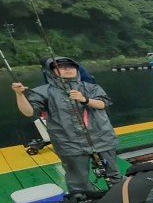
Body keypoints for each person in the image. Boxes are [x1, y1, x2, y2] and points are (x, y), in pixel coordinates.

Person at [12, 56, 122, 193]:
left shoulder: (91, 87)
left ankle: (122, 197)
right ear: (51, 71)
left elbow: (102, 104)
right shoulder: (42, 92)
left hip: (101, 137)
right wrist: (19, 95)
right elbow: (29, 112)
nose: (67, 70)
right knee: (78, 181)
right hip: (68, 142)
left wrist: (84, 99)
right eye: (61, 67)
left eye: (70, 67)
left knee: (114, 174)